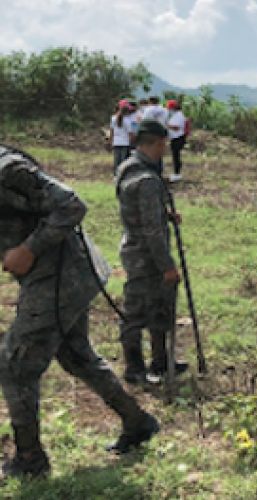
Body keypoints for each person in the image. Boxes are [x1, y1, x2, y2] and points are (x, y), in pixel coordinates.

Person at [0, 144, 160, 479]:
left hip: (61, 274)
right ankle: (137, 422)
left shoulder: (7, 169)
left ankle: (30, 460)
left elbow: (72, 205)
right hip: (55, 275)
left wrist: (29, 248)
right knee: (75, 355)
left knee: (16, 363)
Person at [115, 119, 189, 384]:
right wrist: (167, 265)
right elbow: (151, 231)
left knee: (160, 307)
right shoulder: (146, 179)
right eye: (164, 145)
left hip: (138, 250)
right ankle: (135, 368)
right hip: (145, 257)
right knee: (136, 312)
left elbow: (139, 211)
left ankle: (161, 361)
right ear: (158, 143)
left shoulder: (128, 167)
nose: (165, 150)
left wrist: (164, 214)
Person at [109, 100, 135, 173]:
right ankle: (122, 174)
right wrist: (133, 141)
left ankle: (116, 175)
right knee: (123, 161)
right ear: (127, 112)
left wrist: (110, 141)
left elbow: (111, 131)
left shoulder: (113, 118)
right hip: (125, 143)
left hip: (116, 142)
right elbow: (130, 133)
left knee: (116, 160)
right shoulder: (127, 120)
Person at [166, 100, 187, 182]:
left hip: (178, 138)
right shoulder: (175, 115)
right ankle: (176, 173)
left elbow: (176, 128)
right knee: (175, 156)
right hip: (175, 138)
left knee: (176, 156)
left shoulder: (179, 116)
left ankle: (177, 174)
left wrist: (167, 125)